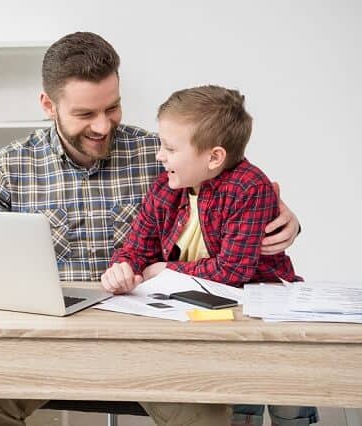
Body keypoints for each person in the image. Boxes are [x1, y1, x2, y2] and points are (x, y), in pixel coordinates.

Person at [0, 31, 301, 426]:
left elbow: (228, 173)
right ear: (48, 105)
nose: (103, 126)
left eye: (113, 107)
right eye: (85, 114)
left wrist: (286, 217)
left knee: (206, 412)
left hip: (152, 343)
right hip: (47, 342)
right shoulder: (9, 167)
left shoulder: (156, 153)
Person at [102, 85, 318, 426]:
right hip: (207, 312)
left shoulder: (249, 187)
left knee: (285, 388)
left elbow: (234, 270)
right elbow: (136, 247)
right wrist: (122, 267)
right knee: (234, 392)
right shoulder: (165, 187)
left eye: (170, 148)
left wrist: (164, 271)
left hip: (261, 306)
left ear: (213, 157)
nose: (160, 155)